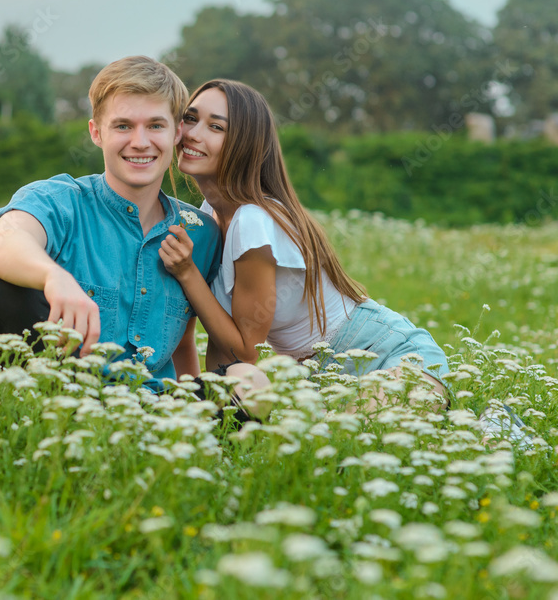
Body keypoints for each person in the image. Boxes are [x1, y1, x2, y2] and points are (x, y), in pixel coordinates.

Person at [158, 79, 452, 416]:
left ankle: (499, 425)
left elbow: (244, 352)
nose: (194, 133)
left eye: (216, 127)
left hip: (393, 360)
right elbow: (224, 352)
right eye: (191, 119)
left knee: (352, 449)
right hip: (318, 377)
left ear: (244, 144)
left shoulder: (252, 221)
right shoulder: (211, 217)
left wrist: (187, 273)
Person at [0, 56, 223, 402]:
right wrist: (53, 277)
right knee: (7, 290)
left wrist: (194, 417)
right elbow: (3, 243)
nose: (139, 142)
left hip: (150, 412)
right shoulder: (60, 200)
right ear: (96, 132)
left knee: (247, 383)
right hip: (57, 407)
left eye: (155, 126)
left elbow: (184, 341)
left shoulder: (201, 232)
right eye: (122, 126)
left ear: (177, 132)